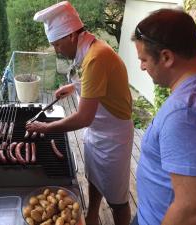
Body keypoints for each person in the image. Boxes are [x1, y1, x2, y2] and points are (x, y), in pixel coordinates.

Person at [26, 1, 134, 225]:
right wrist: (74, 87)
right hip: (98, 131)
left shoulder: (96, 57)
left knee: (117, 200)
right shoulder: (91, 47)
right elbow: (97, 83)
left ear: (72, 36)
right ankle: (92, 216)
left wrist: (45, 128)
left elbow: (84, 117)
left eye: (57, 44)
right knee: (93, 178)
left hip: (113, 137)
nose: (56, 49)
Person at [131, 8, 196, 225]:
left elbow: (193, 211)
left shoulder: (185, 112)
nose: (142, 67)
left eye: (144, 59)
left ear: (167, 57)